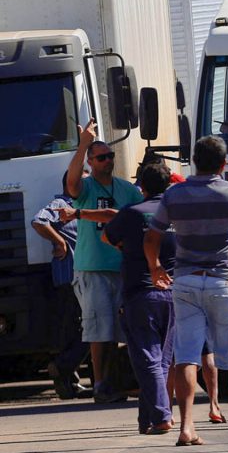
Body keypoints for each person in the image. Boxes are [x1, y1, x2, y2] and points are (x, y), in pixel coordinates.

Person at [145, 135, 228, 446]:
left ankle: (187, 426)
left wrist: (155, 268)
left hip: (186, 281)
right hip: (223, 283)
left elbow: (151, 238)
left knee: (187, 357)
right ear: (222, 164)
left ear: (194, 161)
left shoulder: (174, 195)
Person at [64, 118, 143, 403]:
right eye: (101, 157)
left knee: (128, 330)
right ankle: (100, 385)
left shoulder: (128, 190)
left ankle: (128, 381)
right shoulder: (85, 189)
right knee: (100, 329)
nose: (108, 160)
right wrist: (84, 143)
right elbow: (71, 183)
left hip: (123, 268)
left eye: (110, 156)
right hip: (93, 268)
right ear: (91, 162)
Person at [102, 163, 176, 435]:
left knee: (146, 358)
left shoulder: (131, 213)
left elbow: (106, 236)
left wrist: (125, 245)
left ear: (141, 187)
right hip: (173, 293)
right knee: (161, 361)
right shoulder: (178, 215)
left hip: (140, 293)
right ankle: (148, 419)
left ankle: (161, 417)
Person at [31, 172, 90, 400]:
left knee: (75, 330)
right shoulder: (61, 204)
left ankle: (68, 382)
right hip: (70, 277)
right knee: (88, 327)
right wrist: (59, 241)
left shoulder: (86, 206)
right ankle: (63, 366)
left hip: (86, 276)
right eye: (83, 180)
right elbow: (38, 221)